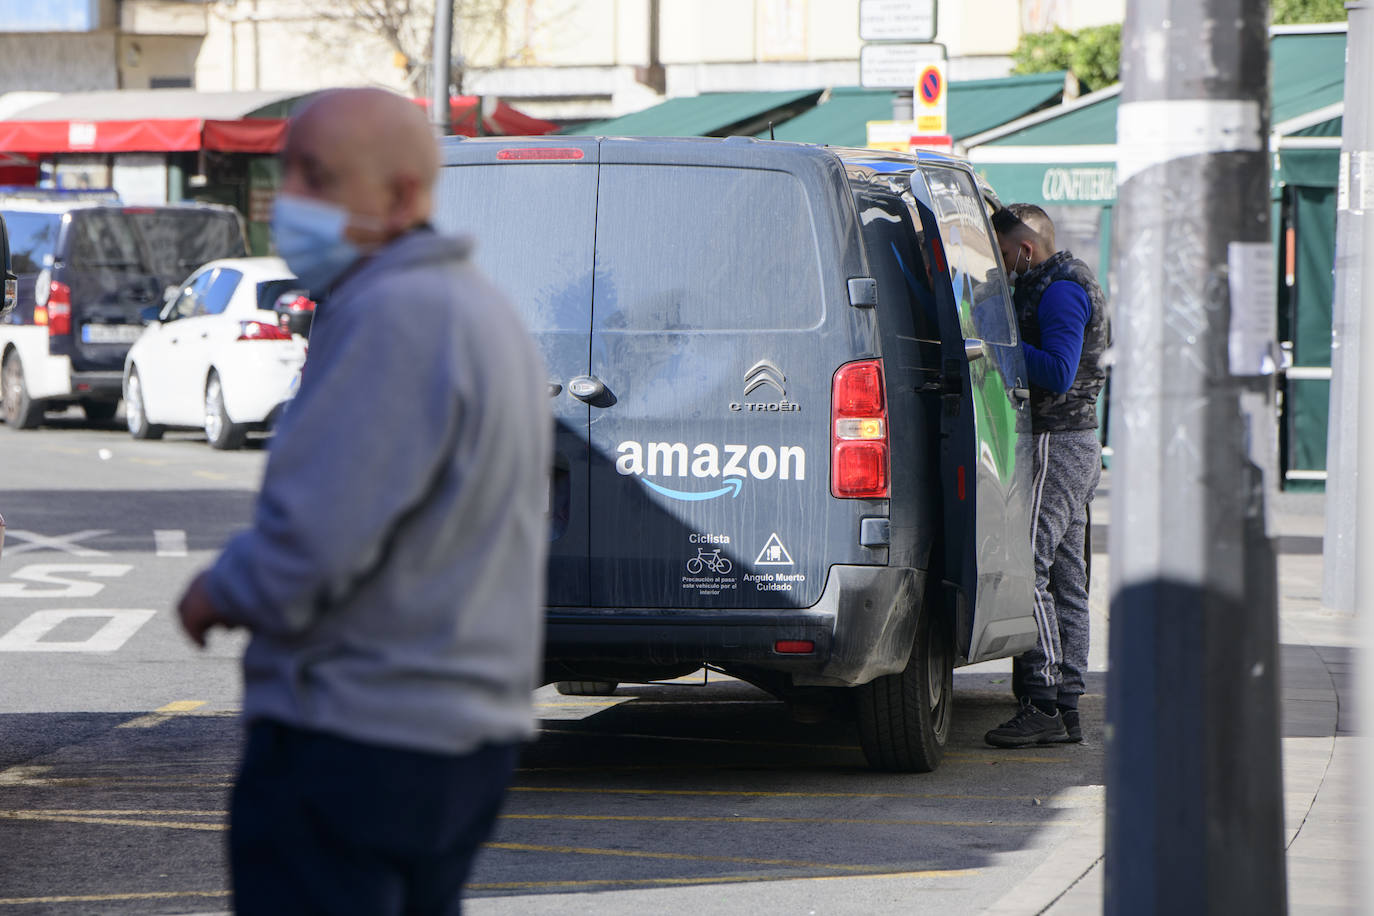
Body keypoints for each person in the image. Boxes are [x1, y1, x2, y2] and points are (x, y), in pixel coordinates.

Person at [176, 88, 552, 914]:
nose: (289, 203)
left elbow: (315, 539)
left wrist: (218, 590)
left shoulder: (393, 315)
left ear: (403, 195)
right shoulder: (477, 310)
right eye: (285, 176)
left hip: (354, 734)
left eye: (317, 176)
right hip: (452, 738)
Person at [984, 203, 1107, 748]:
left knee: (1027, 566)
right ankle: (1068, 708)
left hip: (1059, 444)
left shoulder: (1060, 289)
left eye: (1007, 255)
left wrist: (997, 346)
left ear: (1026, 248)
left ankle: (1045, 700)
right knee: (1065, 579)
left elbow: (1057, 372)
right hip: (1073, 445)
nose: (1005, 267)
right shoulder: (1057, 281)